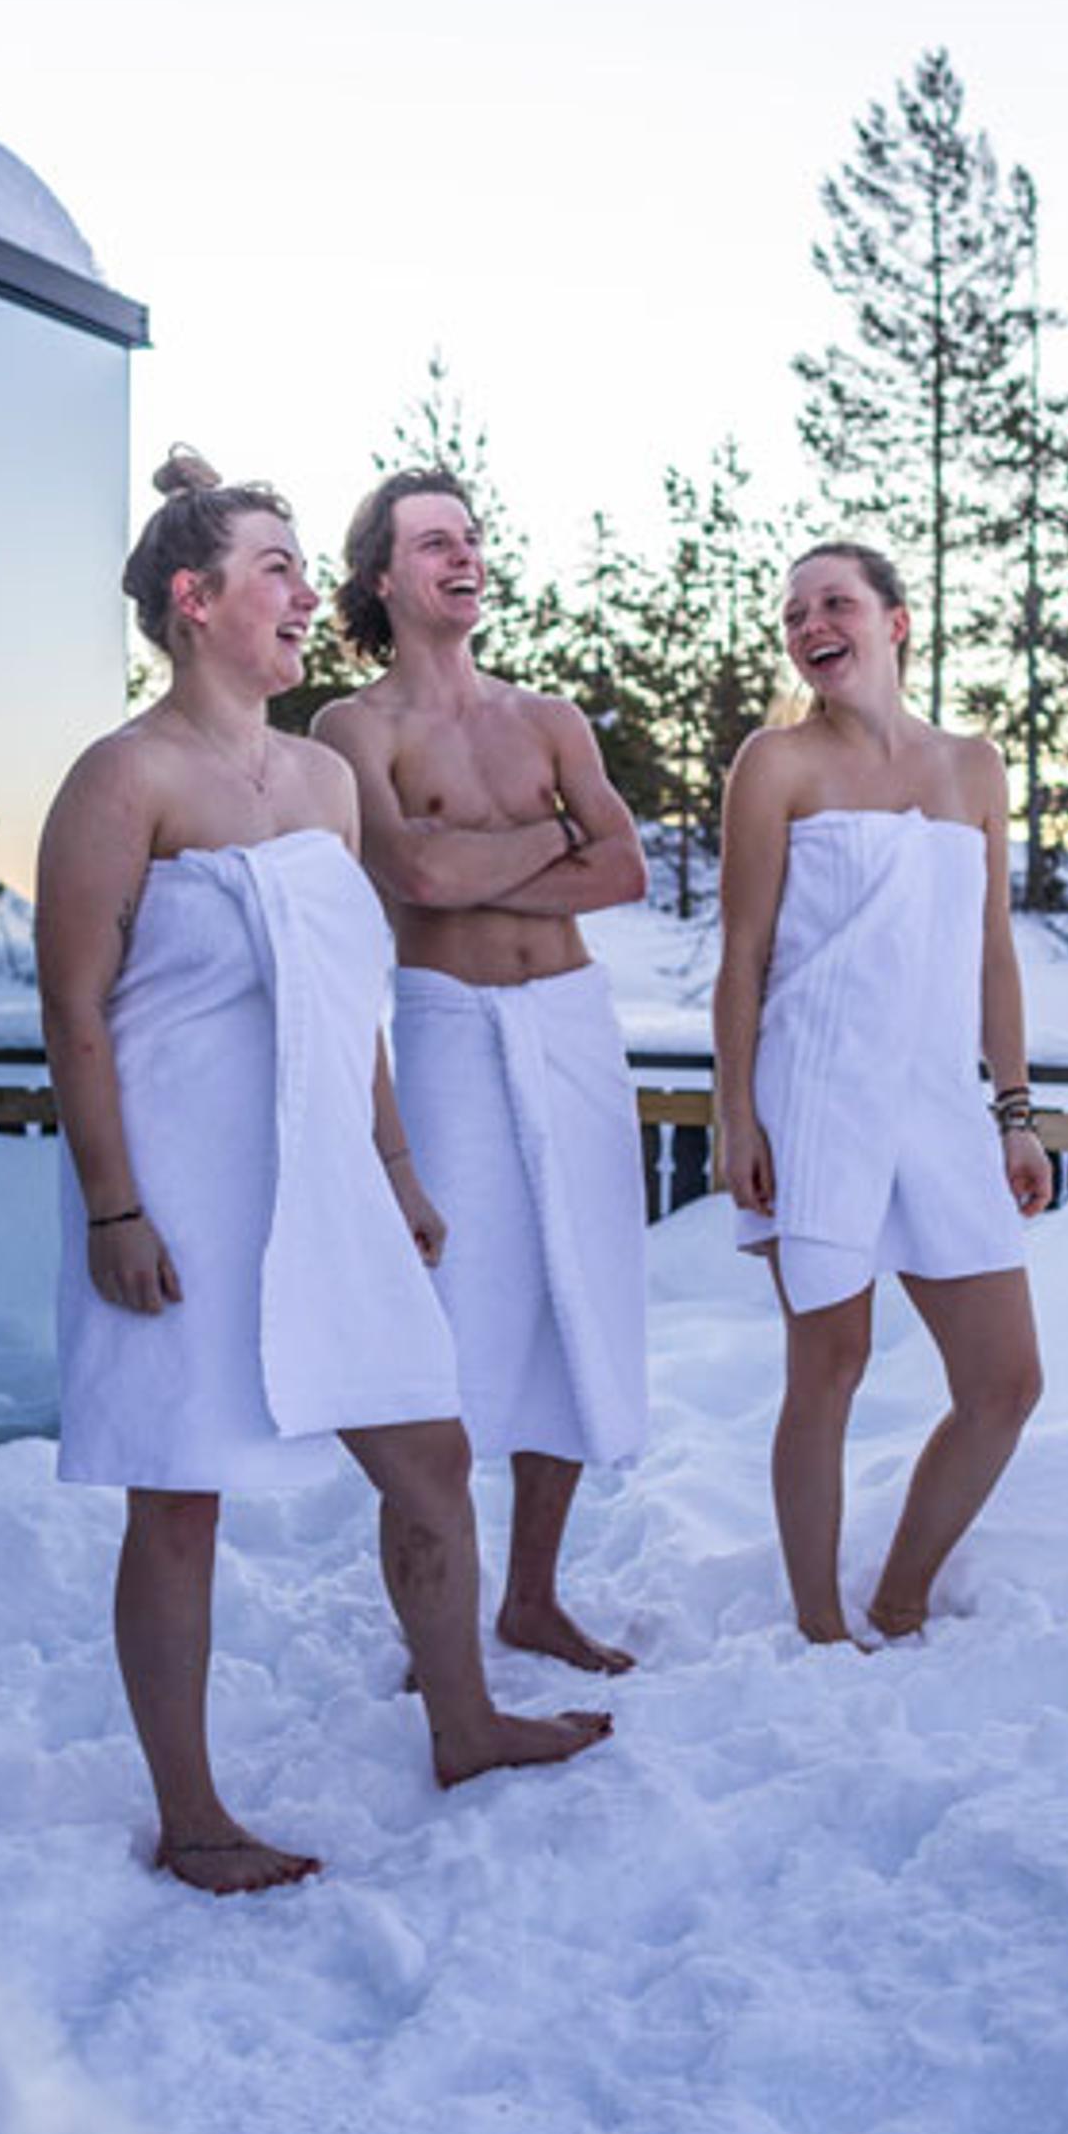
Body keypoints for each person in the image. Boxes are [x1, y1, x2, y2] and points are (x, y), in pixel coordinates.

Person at [40, 449, 611, 1896]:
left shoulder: (316, 781)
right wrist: (114, 1204)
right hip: (177, 1177)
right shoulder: (121, 779)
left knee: (428, 1452)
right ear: (195, 600)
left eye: (306, 566)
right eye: (278, 569)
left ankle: (466, 1720)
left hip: (326, 1172)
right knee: (182, 1498)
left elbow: (348, 993)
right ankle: (193, 1814)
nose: (307, 594)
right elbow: (73, 1011)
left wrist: (398, 1169)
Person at [310, 470, 650, 1675]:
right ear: (383, 576)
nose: (465, 554)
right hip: (448, 1020)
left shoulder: (549, 716)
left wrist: (494, 851)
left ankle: (535, 1595)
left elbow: (627, 871)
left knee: (576, 1299)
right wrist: (553, 836)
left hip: (571, 1016)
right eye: (434, 540)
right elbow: (416, 881)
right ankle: (439, 1624)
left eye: (473, 535)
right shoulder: (355, 731)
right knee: (443, 1317)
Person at [712, 541, 1052, 1647]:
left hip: (941, 1101)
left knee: (1005, 1380)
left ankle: (903, 1592)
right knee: (831, 1361)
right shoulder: (777, 764)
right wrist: (736, 1116)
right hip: (816, 1091)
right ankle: (817, 1623)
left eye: (837, 602)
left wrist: (1014, 1108)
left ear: (895, 621)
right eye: (795, 611)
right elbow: (743, 953)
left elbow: (991, 952)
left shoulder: (975, 767)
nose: (813, 622)